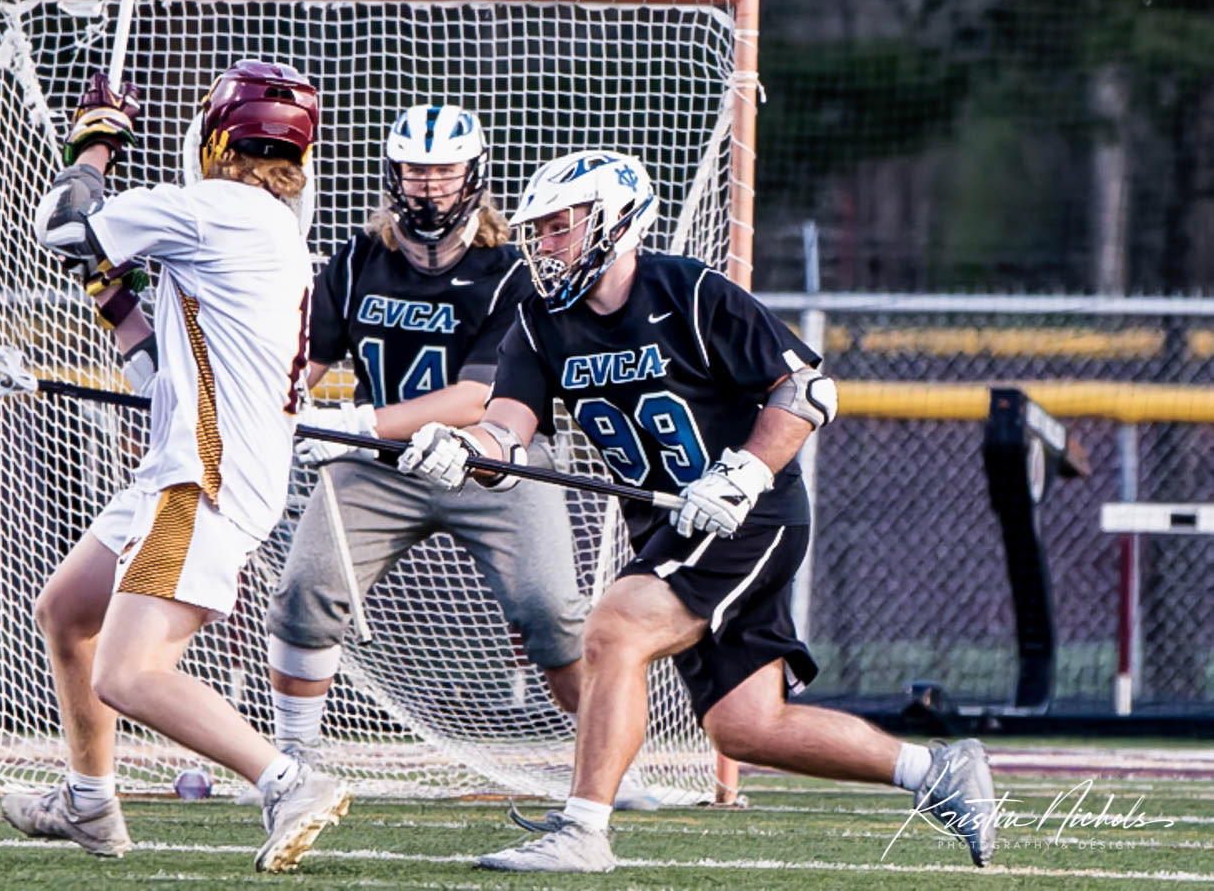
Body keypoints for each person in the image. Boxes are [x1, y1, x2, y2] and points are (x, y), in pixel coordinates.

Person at [398, 148, 998, 873]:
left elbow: (806, 390)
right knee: (746, 726)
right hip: (670, 530)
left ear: (614, 221)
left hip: (750, 516)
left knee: (615, 628)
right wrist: (462, 449)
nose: (546, 245)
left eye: (560, 227)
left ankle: (583, 832)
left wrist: (744, 472)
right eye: (541, 231)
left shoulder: (688, 291)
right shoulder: (539, 321)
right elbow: (506, 433)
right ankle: (935, 771)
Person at [0, 60, 352, 874]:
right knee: (68, 611)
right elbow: (162, 368)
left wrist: (97, 141)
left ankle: (287, 781)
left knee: (128, 673)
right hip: (189, 469)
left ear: (216, 137)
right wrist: (113, 297)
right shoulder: (262, 227)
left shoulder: (217, 208)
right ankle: (89, 801)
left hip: (204, 477)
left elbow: (60, 224)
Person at [263, 103, 590, 762]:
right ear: (394, 175)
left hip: (492, 459)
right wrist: (269, 403)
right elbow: (302, 366)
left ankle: (601, 758)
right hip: (377, 463)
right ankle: (293, 759)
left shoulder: (511, 271)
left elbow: (478, 396)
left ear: (473, 175)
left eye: (444, 171)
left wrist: (354, 423)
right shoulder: (357, 261)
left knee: (551, 611)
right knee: (306, 591)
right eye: (416, 171)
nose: (430, 185)